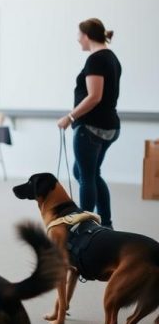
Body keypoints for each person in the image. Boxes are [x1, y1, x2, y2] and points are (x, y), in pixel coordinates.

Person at [57, 18, 121, 228]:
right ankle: (107, 224)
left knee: (86, 177)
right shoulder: (111, 58)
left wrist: (70, 117)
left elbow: (95, 96)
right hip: (109, 126)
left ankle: (85, 227)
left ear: (86, 35)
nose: (77, 40)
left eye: (78, 35)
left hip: (92, 128)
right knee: (89, 174)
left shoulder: (96, 60)